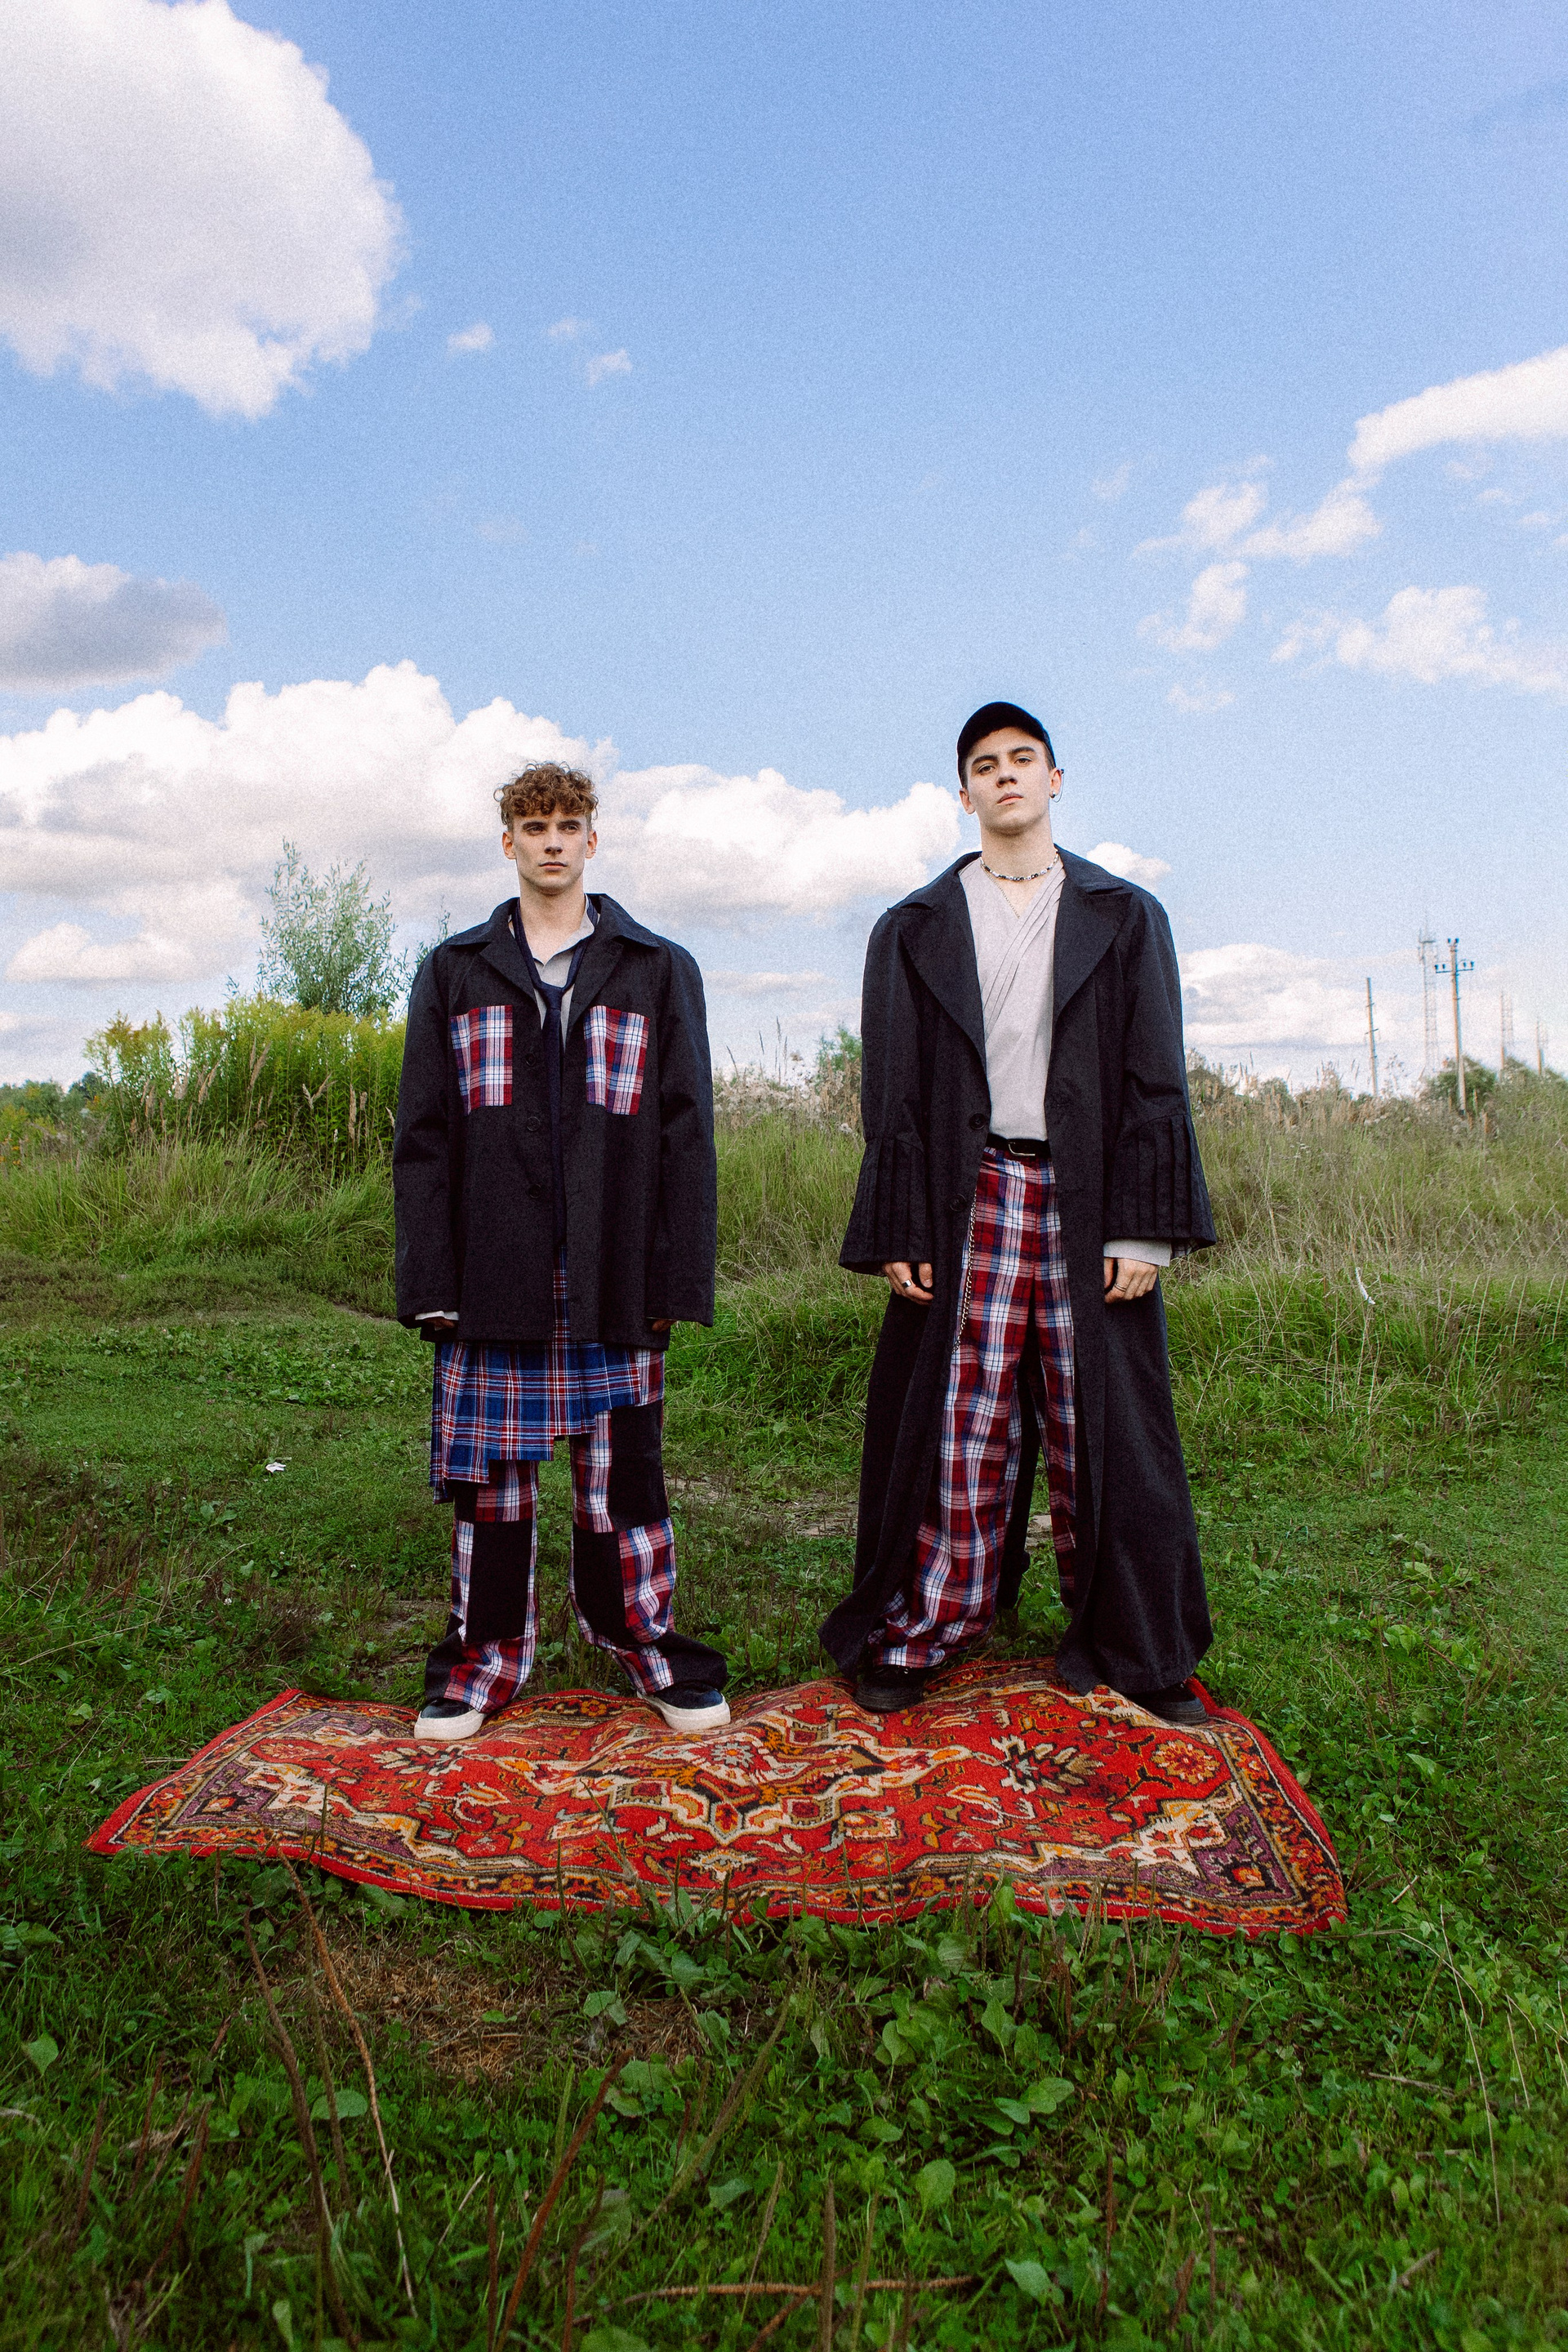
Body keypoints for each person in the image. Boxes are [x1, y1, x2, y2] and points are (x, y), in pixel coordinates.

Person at [820, 702, 1217, 1726]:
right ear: (964, 794)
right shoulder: (915, 926)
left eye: (1023, 759)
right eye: (985, 765)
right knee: (961, 1420)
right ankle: (923, 1630)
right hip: (971, 1193)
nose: (1005, 775)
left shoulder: (1122, 915)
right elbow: (891, 1092)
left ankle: (1138, 1646)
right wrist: (902, 1225)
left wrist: (1142, 1227)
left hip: (1090, 1200)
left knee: (1104, 1422)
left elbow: (1155, 1074)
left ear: (1054, 779)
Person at [393, 761, 728, 1742]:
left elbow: (687, 1134)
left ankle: (651, 1650)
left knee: (623, 1482)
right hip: (491, 1267)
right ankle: (482, 1662)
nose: (551, 840)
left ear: (592, 839)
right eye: (533, 825)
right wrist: (429, 1280)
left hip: (614, 1267)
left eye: (568, 824)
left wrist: (677, 1276)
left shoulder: (656, 968)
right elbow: (423, 1137)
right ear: (508, 842)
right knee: (493, 1487)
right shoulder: (455, 970)